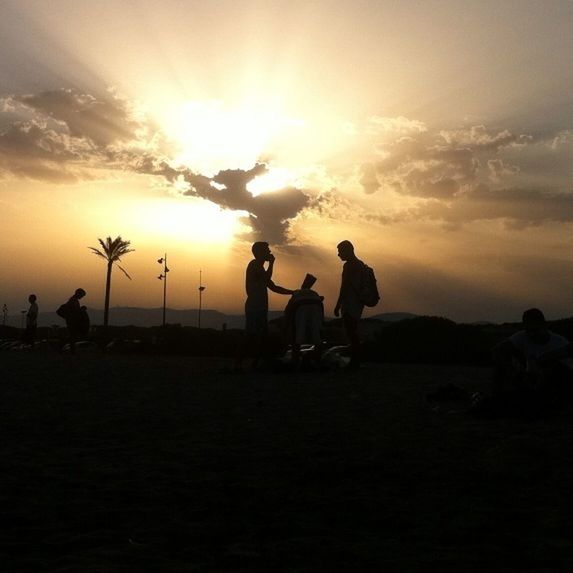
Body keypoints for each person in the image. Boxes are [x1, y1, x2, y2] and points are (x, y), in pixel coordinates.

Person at [473, 308, 573, 417]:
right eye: (529, 330)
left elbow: (564, 372)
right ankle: (498, 395)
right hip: (532, 380)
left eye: (535, 330)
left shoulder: (559, 342)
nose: (532, 334)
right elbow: (497, 350)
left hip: (554, 384)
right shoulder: (523, 336)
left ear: (544, 325)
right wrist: (512, 372)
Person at [236, 242, 294, 370]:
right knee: (252, 335)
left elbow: (274, 287)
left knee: (262, 336)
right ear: (260, 252)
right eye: (267, 250)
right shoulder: (254, 264)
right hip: (254, 307)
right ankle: (240, 362)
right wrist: (272, 264)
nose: (269, 253)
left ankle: (256, 363)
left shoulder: (259, 267)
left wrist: (293, 292)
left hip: (260, 307)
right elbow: (268, 279)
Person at [334, 240, 365, 369]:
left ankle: (354, 362)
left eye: (340, 251)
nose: (338, 254)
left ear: (348, 251)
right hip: (358, 302)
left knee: (351, 332)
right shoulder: (361, 264)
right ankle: (355, 360)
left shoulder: (349, 266)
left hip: (350, 302)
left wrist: (337, 304)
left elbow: (344, 286)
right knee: (353, 331)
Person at [284, 274, 324, 369]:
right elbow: (321, 305)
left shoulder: (297, 292)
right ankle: (318, 361)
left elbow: (288, 309)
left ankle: (295, 361)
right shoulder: (314, 293)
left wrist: (288, 323)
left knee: (298, 336)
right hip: (316, 306)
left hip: (301, 307)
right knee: (316, 336)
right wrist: (321, 321)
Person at [61, 288, 87, 354]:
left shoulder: (73, 300)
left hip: (71, 321)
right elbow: (74, 312)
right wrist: (81, 310)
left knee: (72, 336)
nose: (82, 297)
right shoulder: (73, 301)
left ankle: (70, 350)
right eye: (82, 295)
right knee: (72, 337)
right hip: (72, 322)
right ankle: (71, 350)